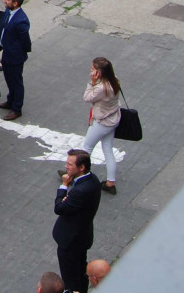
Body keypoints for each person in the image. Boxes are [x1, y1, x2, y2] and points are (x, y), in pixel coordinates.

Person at [54, 150, 102, 293]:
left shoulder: (80, 191)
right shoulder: (92, 180)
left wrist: (63, 186)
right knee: (81, 271)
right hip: (82, 237)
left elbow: (59, 208)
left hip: (70, 241)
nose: (66, 167)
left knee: (70, 279)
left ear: (81, 168)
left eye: (70, 164)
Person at [82, 57, 123, 194]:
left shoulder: (101, 88)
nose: (90, 71)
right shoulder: (114, 80)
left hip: (101, 122)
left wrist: (92, 83)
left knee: (86, 148)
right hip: (112, 119)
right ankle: (110, 182)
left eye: (93, 69)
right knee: (108, 149)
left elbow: (87, 98)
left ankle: (77, 175)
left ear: (99, 73)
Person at [0, 0, 32, 120]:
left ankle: (17, 108)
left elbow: (25, 41)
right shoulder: (9, 12)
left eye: (8, 0)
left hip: (15, 56)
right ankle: (10, 100)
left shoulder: (21, 20)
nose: (5, 1)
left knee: (16, 81)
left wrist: (20, 52)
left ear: (15, 3)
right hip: (7, 52)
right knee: (9, 79)